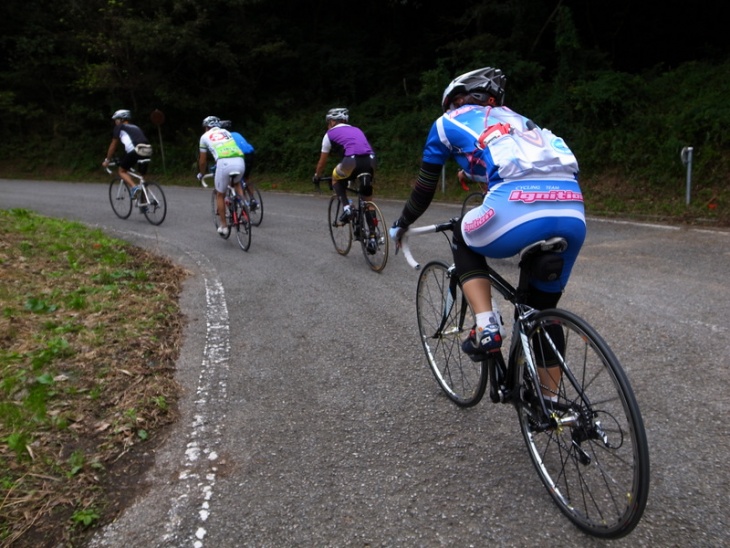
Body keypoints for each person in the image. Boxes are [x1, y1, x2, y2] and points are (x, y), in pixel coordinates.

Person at [389, 66, 586, 397]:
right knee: (543, 316)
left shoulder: (446, 122)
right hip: (572, 211)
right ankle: (549, 404)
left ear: (456, 99)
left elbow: (425, 188)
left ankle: (487, 326)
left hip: (514, 209)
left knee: (462, 234)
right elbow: (523, 163)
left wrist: (402, 223)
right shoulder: (520, 120)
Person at [312, 108, 377, 225]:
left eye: (328, 122)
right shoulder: (357, 129)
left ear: (332, 122)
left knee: (335, 177)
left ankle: (347, 208)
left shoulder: (329, 134)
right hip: (370, 161)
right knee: (367, 200)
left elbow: (322, 163)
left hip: (351, 162)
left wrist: (317, 176)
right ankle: (373, 236)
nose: (328, 125)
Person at [197, 116, 246, 235]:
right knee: (236, 183)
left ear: (207, 127)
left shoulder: (204, 137)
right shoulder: (226, 132)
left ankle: (224, 226)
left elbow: (202, 161)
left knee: (220, 194)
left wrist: (201, 174)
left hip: (224, 163)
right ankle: (245, 209)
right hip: (240, 160)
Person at [102, 110, 152, 200]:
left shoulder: (120, 127)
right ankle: (144, 201)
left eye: (116, 119)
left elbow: (113, 145)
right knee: (142, 177)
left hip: (136, 150)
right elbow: (131, 143)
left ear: (121, 119)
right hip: (147, 149)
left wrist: (107, 160)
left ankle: (134, 187)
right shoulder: (135, 127)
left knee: (121, 171)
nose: (115, 122)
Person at [220, 120, 258, 211]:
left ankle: (244, 202)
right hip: (251, 154)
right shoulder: (237, 134)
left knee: (236, 180)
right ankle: (252, 199)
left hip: (241, 156)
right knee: (246, 178)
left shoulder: (225, 139)